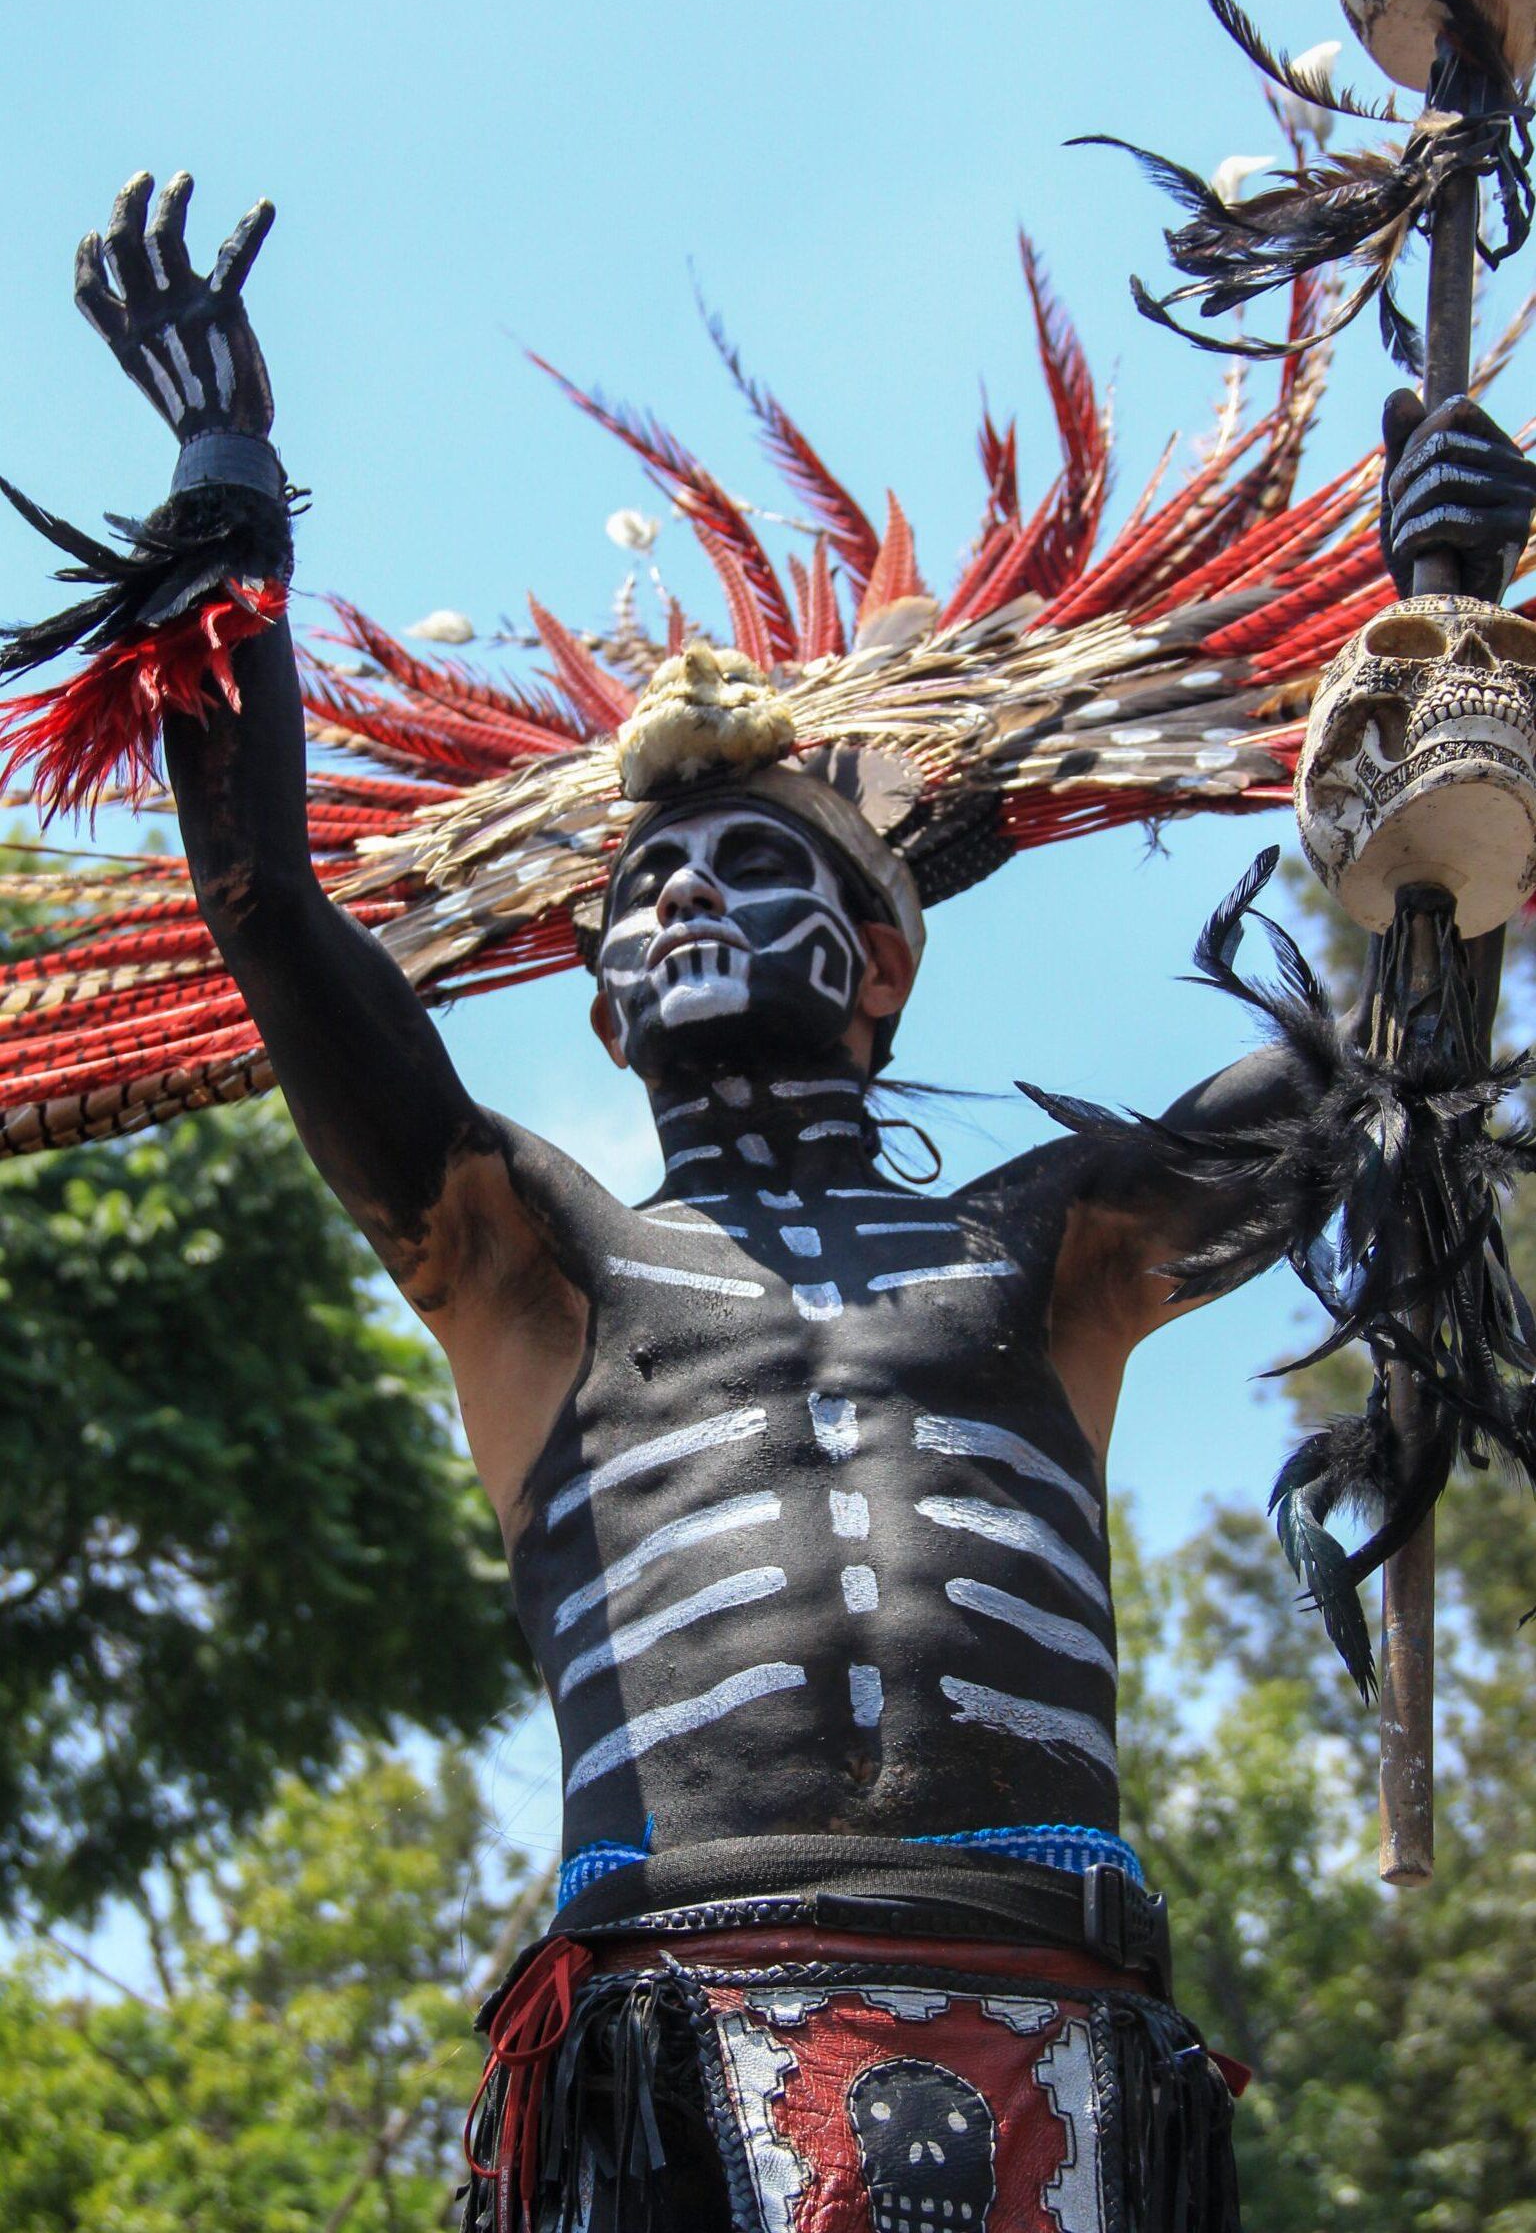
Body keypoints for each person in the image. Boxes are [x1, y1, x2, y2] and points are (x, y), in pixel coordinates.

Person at [23, 171, 1536, 2233]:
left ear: (883, 963)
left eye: (755, 876)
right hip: (667, 2052)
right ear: (606, 1004)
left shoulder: (1055, 1241)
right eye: (644, 896)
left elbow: (1401, 1038)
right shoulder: (532, 1266)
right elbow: (273, 910)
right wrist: (225, 502)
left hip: (1055, 2026)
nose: (682, 911)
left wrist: (1460, 638)